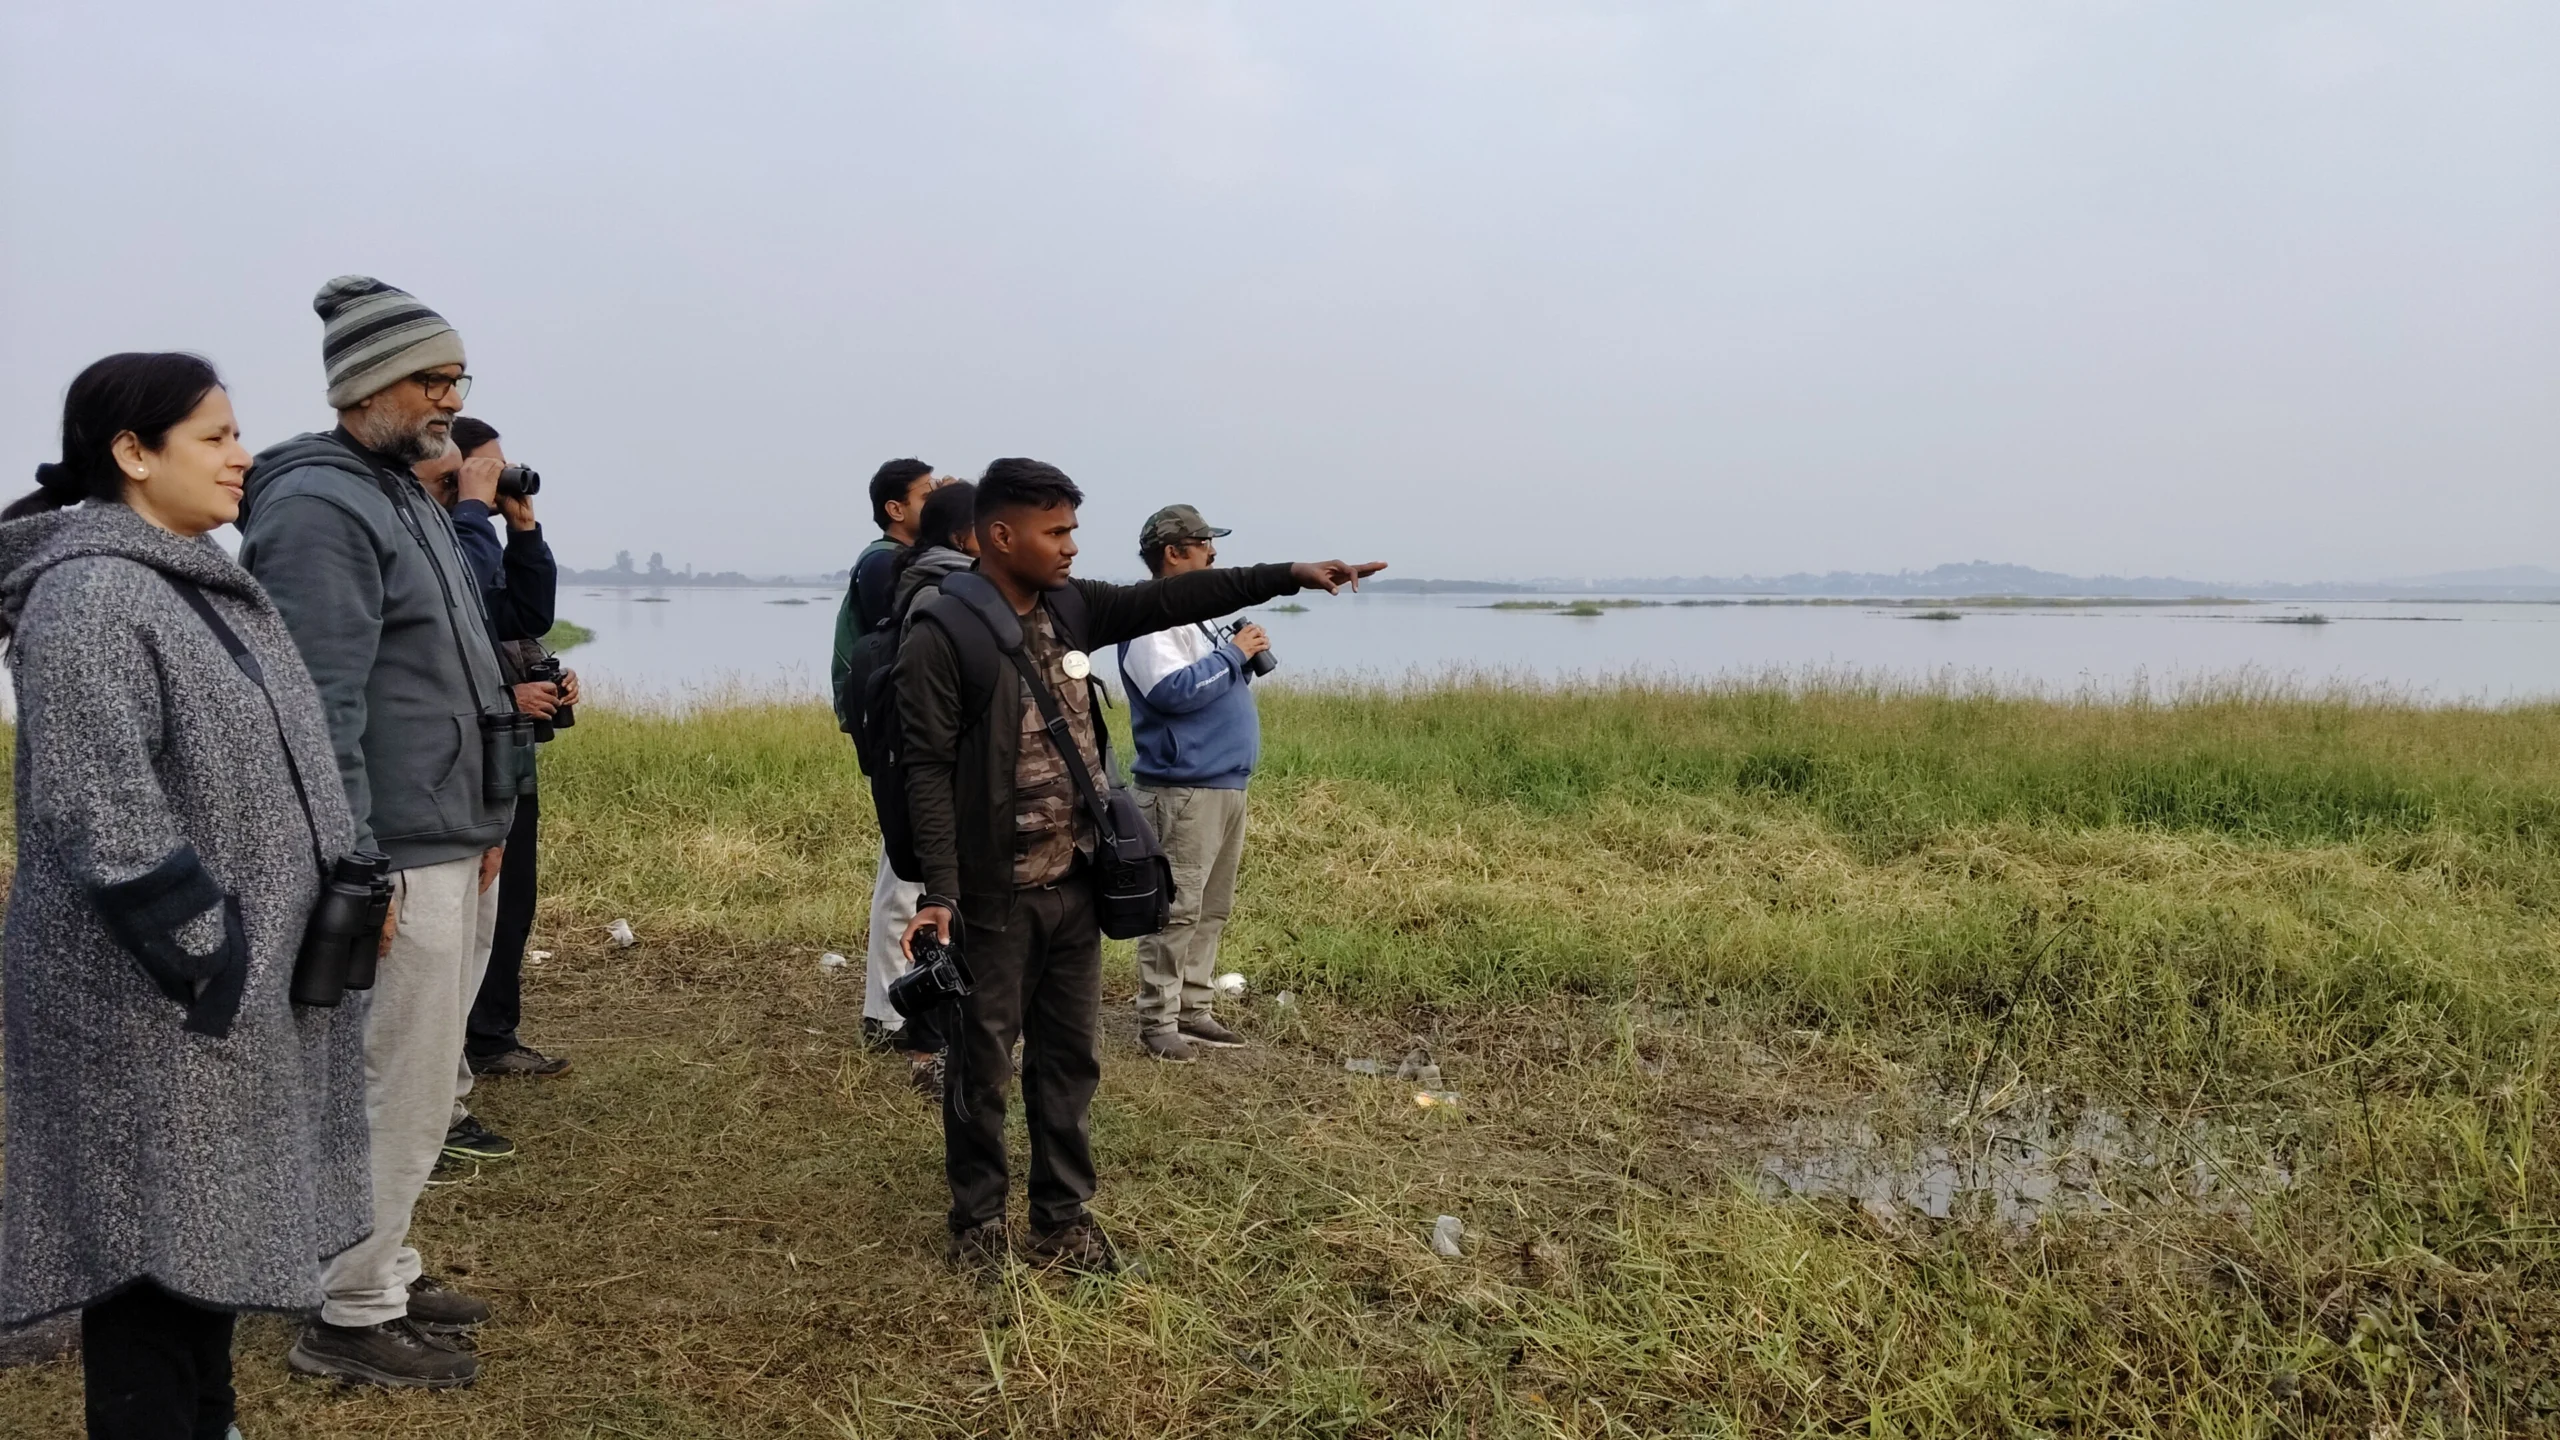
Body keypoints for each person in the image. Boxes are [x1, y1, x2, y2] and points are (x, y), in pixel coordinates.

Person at [0, 353, 372, 1438]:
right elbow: (100, 808)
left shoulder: (190, 579)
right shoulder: (91, 596)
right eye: (214, 436)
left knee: (202, 1251)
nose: (241, 455)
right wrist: (215, 956)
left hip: (202, 1007)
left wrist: (341, 878)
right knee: (149, 1261)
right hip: (145, 1005)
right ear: (132, 452)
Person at [895, 458, 1383, 1273]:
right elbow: (927, 773)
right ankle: (977, 1225)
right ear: (1000, 535)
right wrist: (940, 892)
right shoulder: (943, 634)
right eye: (1055, 531)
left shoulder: (1070, 606)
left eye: (1074, 529)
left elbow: (1175, 598)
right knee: (982, 1067)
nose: (1071, 546)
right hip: (992, 895)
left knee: (1069, 1060)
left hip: (1077, 881)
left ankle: (1062, 1220)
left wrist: (1290, 574)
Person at [237, 277, 525, 1388]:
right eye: (432, 378)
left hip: (444, 829)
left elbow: (442, 674)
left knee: (420, 1072)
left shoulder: (395, 490)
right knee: (388, 1085)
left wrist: (485, 817)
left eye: (457, 377)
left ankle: (380, 1268)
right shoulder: (320, 507)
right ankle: (348, 1314)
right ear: (364, 385)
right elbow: (317, 705)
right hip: (393, 848)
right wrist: (353, 861)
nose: (452, 397)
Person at [419, 416, 575, 1083]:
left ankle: (489, 1035)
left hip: (503, 751)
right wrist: (472, 511)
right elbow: (449, 615)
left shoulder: (470, 537)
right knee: (456, 913)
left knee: (509, 903)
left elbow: (526, 615)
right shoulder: (429, 541)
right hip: (450, 758)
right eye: (479, 470)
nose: (493, 480)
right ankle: (448, 1056)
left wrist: (523, 529)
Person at [1117, 505, 1270, 1062]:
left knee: (1212, 908)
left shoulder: (1197, 616)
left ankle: (1193, 1009)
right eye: (1205, 543)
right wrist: (1234, 653)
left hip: (1224, 785)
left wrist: (1238, 659)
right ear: (1173, 552)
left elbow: (1206, 681)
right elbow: (1171, 693)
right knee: (1176, 909)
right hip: (1182, 790)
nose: (1213, 553)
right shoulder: (1147, 619)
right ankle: (1158, 1021)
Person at [830, 460, 939, 1060]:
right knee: (904, 876)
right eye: (927, 495)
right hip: (900, 737)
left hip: (903, 735)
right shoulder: (884, 563)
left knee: (908, 871)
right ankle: (889, 1013)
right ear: (895, 509)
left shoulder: (896, 559)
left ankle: (896, 1005)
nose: (936, 501)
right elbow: (899, 639)